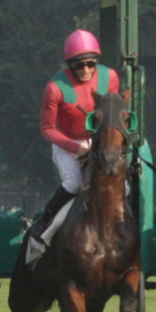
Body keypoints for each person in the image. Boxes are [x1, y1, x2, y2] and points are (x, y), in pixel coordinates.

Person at [32, 29, 129, 237]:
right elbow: (47, 128)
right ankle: (44, 223)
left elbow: (112, 114)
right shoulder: (55, 87)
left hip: (98, 140)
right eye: (79, 65)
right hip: (67, 142)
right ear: (70, 65)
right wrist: (76, 148)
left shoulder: (110, 77)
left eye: (90, 63)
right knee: (74, 183)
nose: (85, 69)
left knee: (124, 187)